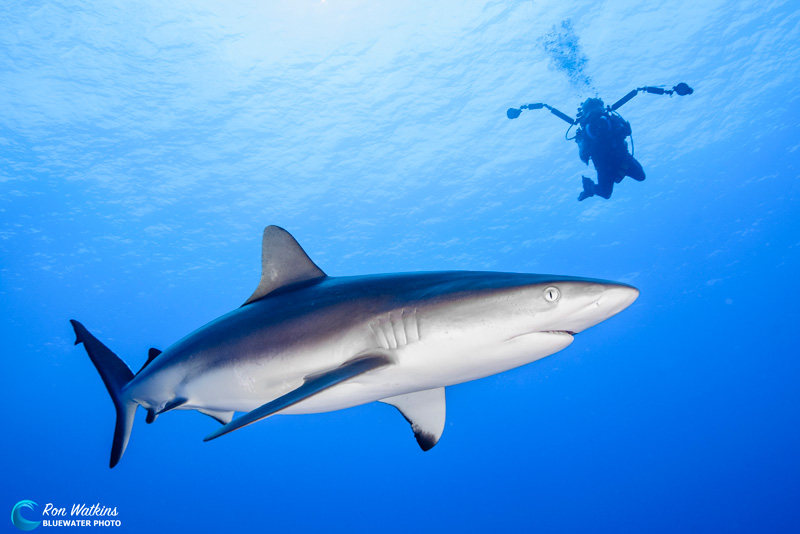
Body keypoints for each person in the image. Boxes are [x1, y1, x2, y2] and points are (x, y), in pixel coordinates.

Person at [574, 98, 645, 201]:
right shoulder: (588, 129)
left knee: (640, 177)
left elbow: (583, 156)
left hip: (621, 159)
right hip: (605, 167)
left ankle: (594, 187)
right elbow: (584, 155)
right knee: (606, 193)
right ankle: (590, 188)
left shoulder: (611, 119)